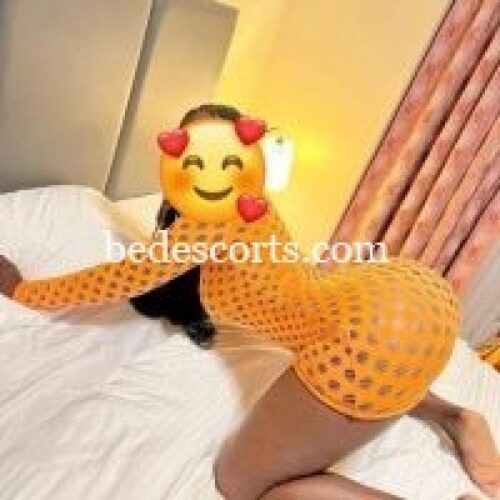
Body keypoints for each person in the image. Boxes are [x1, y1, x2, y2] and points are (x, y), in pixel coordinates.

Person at [0, 104, 498, 499]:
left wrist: (23, 292)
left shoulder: (205, 218)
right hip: (412, 296)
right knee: (375, 348)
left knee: (239, 485)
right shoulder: (252, 201)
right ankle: (453, 413)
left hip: (367, 337)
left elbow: (114, 281)